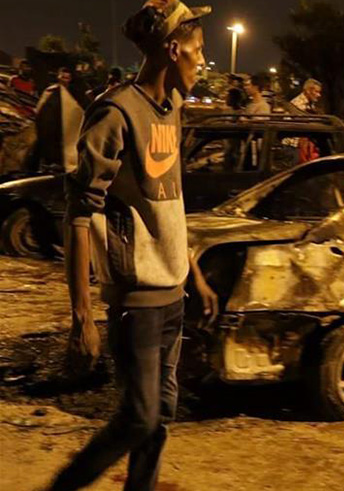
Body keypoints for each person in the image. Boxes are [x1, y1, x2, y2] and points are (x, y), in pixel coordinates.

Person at [48, 1, 218, 490]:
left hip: (172, 296)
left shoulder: (174, 109)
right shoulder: (115, 111)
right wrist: (81, 316)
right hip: (136, 301)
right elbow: (79, 216)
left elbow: (167, 201)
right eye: (198, 50)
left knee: (159, 418)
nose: (203, 61)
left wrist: (195, 275)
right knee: (139, 418)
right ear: (172, 49)